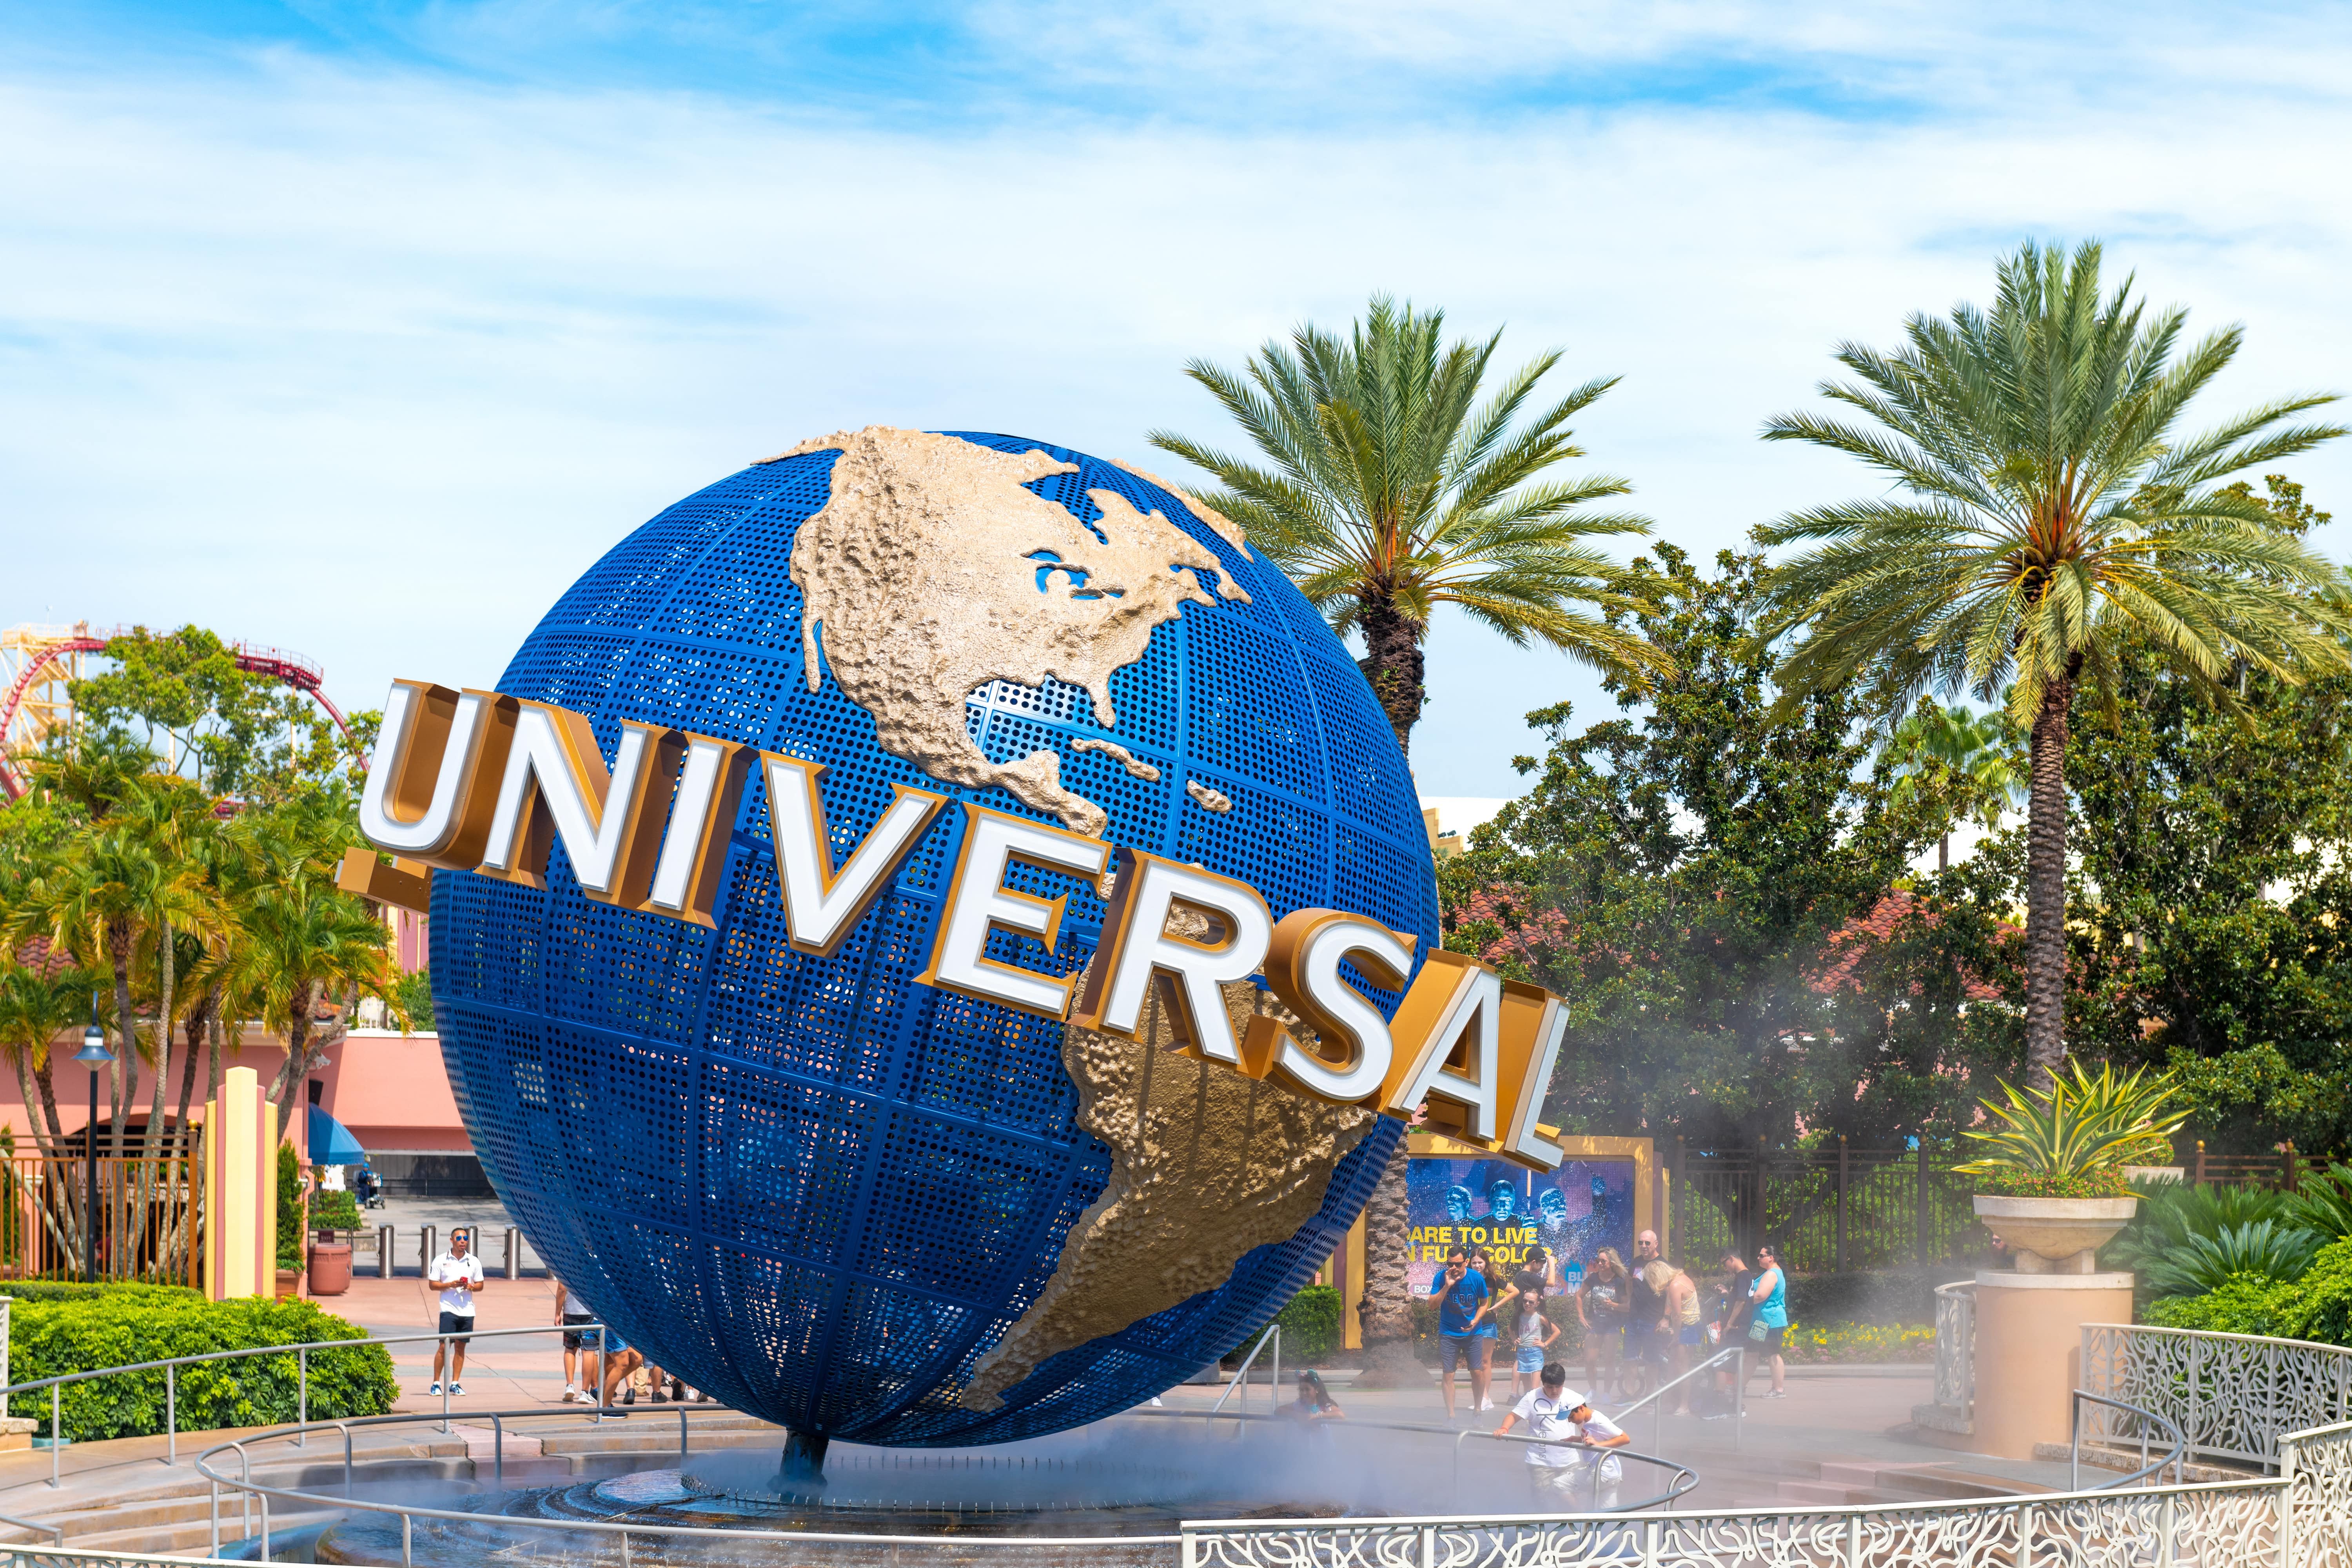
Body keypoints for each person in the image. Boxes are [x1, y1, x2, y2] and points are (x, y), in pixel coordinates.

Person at [1495, 1363, 1628, 1510]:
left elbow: (1586, 1425)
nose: (1554, 1391)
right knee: (1544, 1501)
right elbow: (1513, 1416)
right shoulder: (1531, 1398)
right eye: (1549, 1387)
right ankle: (1549, 1529)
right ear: (1543, 1384)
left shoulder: (1575, 1399)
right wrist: (1504, 1428)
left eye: (1558, 1387)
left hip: (1570, 1461)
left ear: (1563, 1384)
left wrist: (1592, 1442)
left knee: (1574, 1500)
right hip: (1540, 1463)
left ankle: (1578, 1526)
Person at [1429, 1246, 1492, 1420]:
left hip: (1473, 1334)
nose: (1453, 1268)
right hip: (1449, 1333)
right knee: (1448, 1374)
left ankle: (1478, 1410)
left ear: (1466, 1262)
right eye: (1450, 1264)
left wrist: (1476, 1320)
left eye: (1457, 1264)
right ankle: (1451, 1416)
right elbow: (1432, 1306)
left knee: (1477, 1372)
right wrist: (1447, 1286)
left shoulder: (1476, 1278)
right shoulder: (1441, 1277)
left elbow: (1484, 1303)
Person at [426, 1228, 486, 1396]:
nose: (463, 1241)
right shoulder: (441, 1260)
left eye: (465, 1238)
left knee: (461, 1348)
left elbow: (481, 1285)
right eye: (459, 1238)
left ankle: (455, 1383)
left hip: (467, 1311)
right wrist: (450, 1285)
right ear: (451, 1240)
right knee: (445, 1346)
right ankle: (436, 1383)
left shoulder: (473, 1261)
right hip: (448, 1309)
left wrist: (471, 1286)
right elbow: (432, 1285)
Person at [1578, 1248, 1625, 1403]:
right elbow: (1579, 1296)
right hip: (1595, 1325)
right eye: (1598, 1261)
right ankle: (1593, 1390)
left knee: (1609, 1360)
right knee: (1590, 1360)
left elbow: (1627, 1306)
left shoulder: (1619, 1281)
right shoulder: (1593, 1279)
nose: (1599, 1264)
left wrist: (1613, 1305)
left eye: (1603, 1261)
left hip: (1612, 1326)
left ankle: (1606, 1393)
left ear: (1611, 1263)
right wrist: (1582, 1317)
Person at [1747, 1243, 1789, 1399]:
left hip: (1769, 1321)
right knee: (1752, 1353)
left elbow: (1760, 1296)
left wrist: (1742, 1303)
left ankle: (1778, 1389)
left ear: (1771, 1258)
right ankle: (1739, 1387)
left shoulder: (1772, 1274)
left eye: (1761, 1256)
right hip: (1762, 1321)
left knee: (1773, 1354)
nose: (1758, 1258)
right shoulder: (1772, 1273)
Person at [553, 1277, 601, 1403]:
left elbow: (562, 1289)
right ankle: (585, 1392)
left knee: (570, 1348)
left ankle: (570, 1385)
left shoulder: (566, 1261)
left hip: (570, 1312)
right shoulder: (594, 1263)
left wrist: (558, 1313)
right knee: (589, 1351)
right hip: (591, 1312)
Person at [1510, 1283, 1560, 1399]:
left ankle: (1538, 1405)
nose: (1527, 1304)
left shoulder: (1540, 1318)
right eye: (1525, 1301)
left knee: (1535, 1389)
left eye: (1531, 1302)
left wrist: (1545, 1344)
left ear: (1537, 1304)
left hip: (1535, 1353)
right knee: (1527, 1390)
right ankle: (1528, 1409)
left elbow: (1557, 1331)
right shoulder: (1519, 1316)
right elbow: (1510, 1329)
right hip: (1522, 1353)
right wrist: (1514, 1338)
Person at [1280, 1369, 1345, 1424]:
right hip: (1303, 1438)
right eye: (1302, 1390)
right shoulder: (1299, 1403)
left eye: (1307, 1390)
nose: (1304, 1393)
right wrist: (1297, 1415)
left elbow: (1341, 1415)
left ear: (1317, 1390)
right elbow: (1279, 1411)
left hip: (1321, 1438)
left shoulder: (1325, 1405)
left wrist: (1317, 1416)